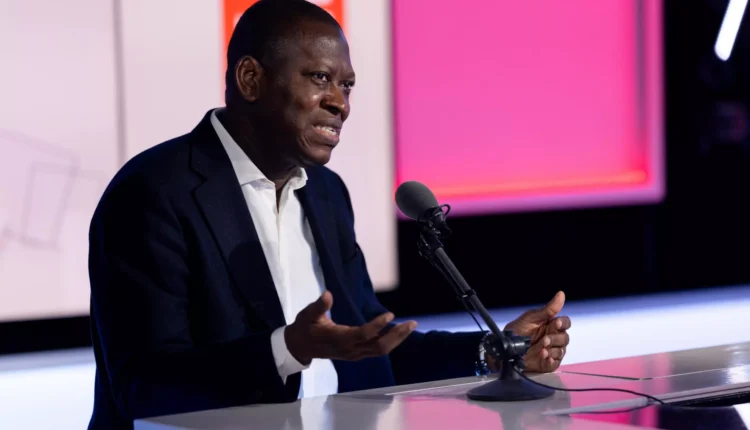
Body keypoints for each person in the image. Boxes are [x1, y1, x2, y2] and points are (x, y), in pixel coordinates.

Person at [87, 1, 571, 429]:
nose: (340, 103)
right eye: (320, 78)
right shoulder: (152, 193)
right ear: (251, 79)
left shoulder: (325, 194)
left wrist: (496, 351)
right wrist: (289, 349)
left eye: (347, 85)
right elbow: (143, 386)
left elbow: (373, 347)